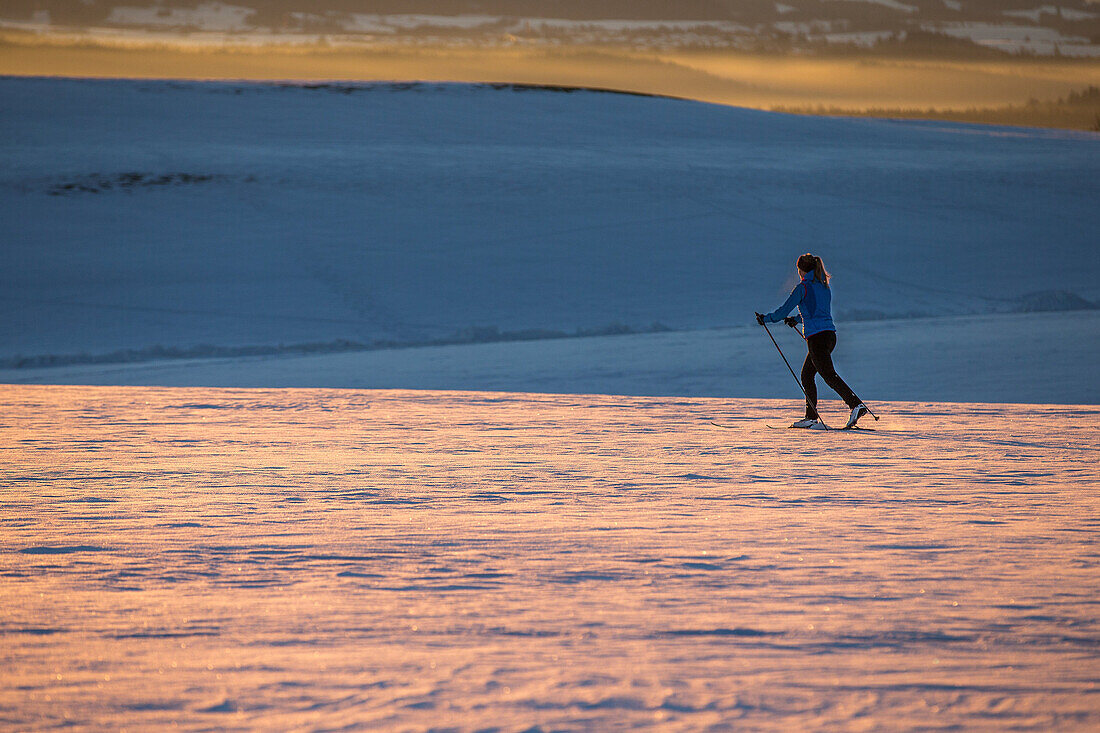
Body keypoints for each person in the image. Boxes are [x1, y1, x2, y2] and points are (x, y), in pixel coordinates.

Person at [755, 253, 869, 429]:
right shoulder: (824, 286)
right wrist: (798, 319)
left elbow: (781, 312)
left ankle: (855, 405)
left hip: (817, 338)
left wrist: (766, 318)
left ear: (801, 269)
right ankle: (811, 417)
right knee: (807, 375)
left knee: (828, 375)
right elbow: (816, 312)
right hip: (829, 336)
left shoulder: (803, 287)